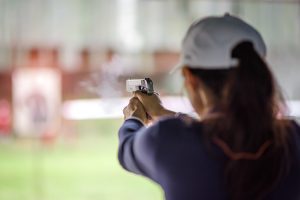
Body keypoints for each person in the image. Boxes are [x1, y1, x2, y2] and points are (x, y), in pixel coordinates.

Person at [118, 13, 300, 200]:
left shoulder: (168, 139)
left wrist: (134, 118)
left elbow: (127, 149)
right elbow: (222, 133)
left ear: (190, 78)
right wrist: (161, 113)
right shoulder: (293, 138)